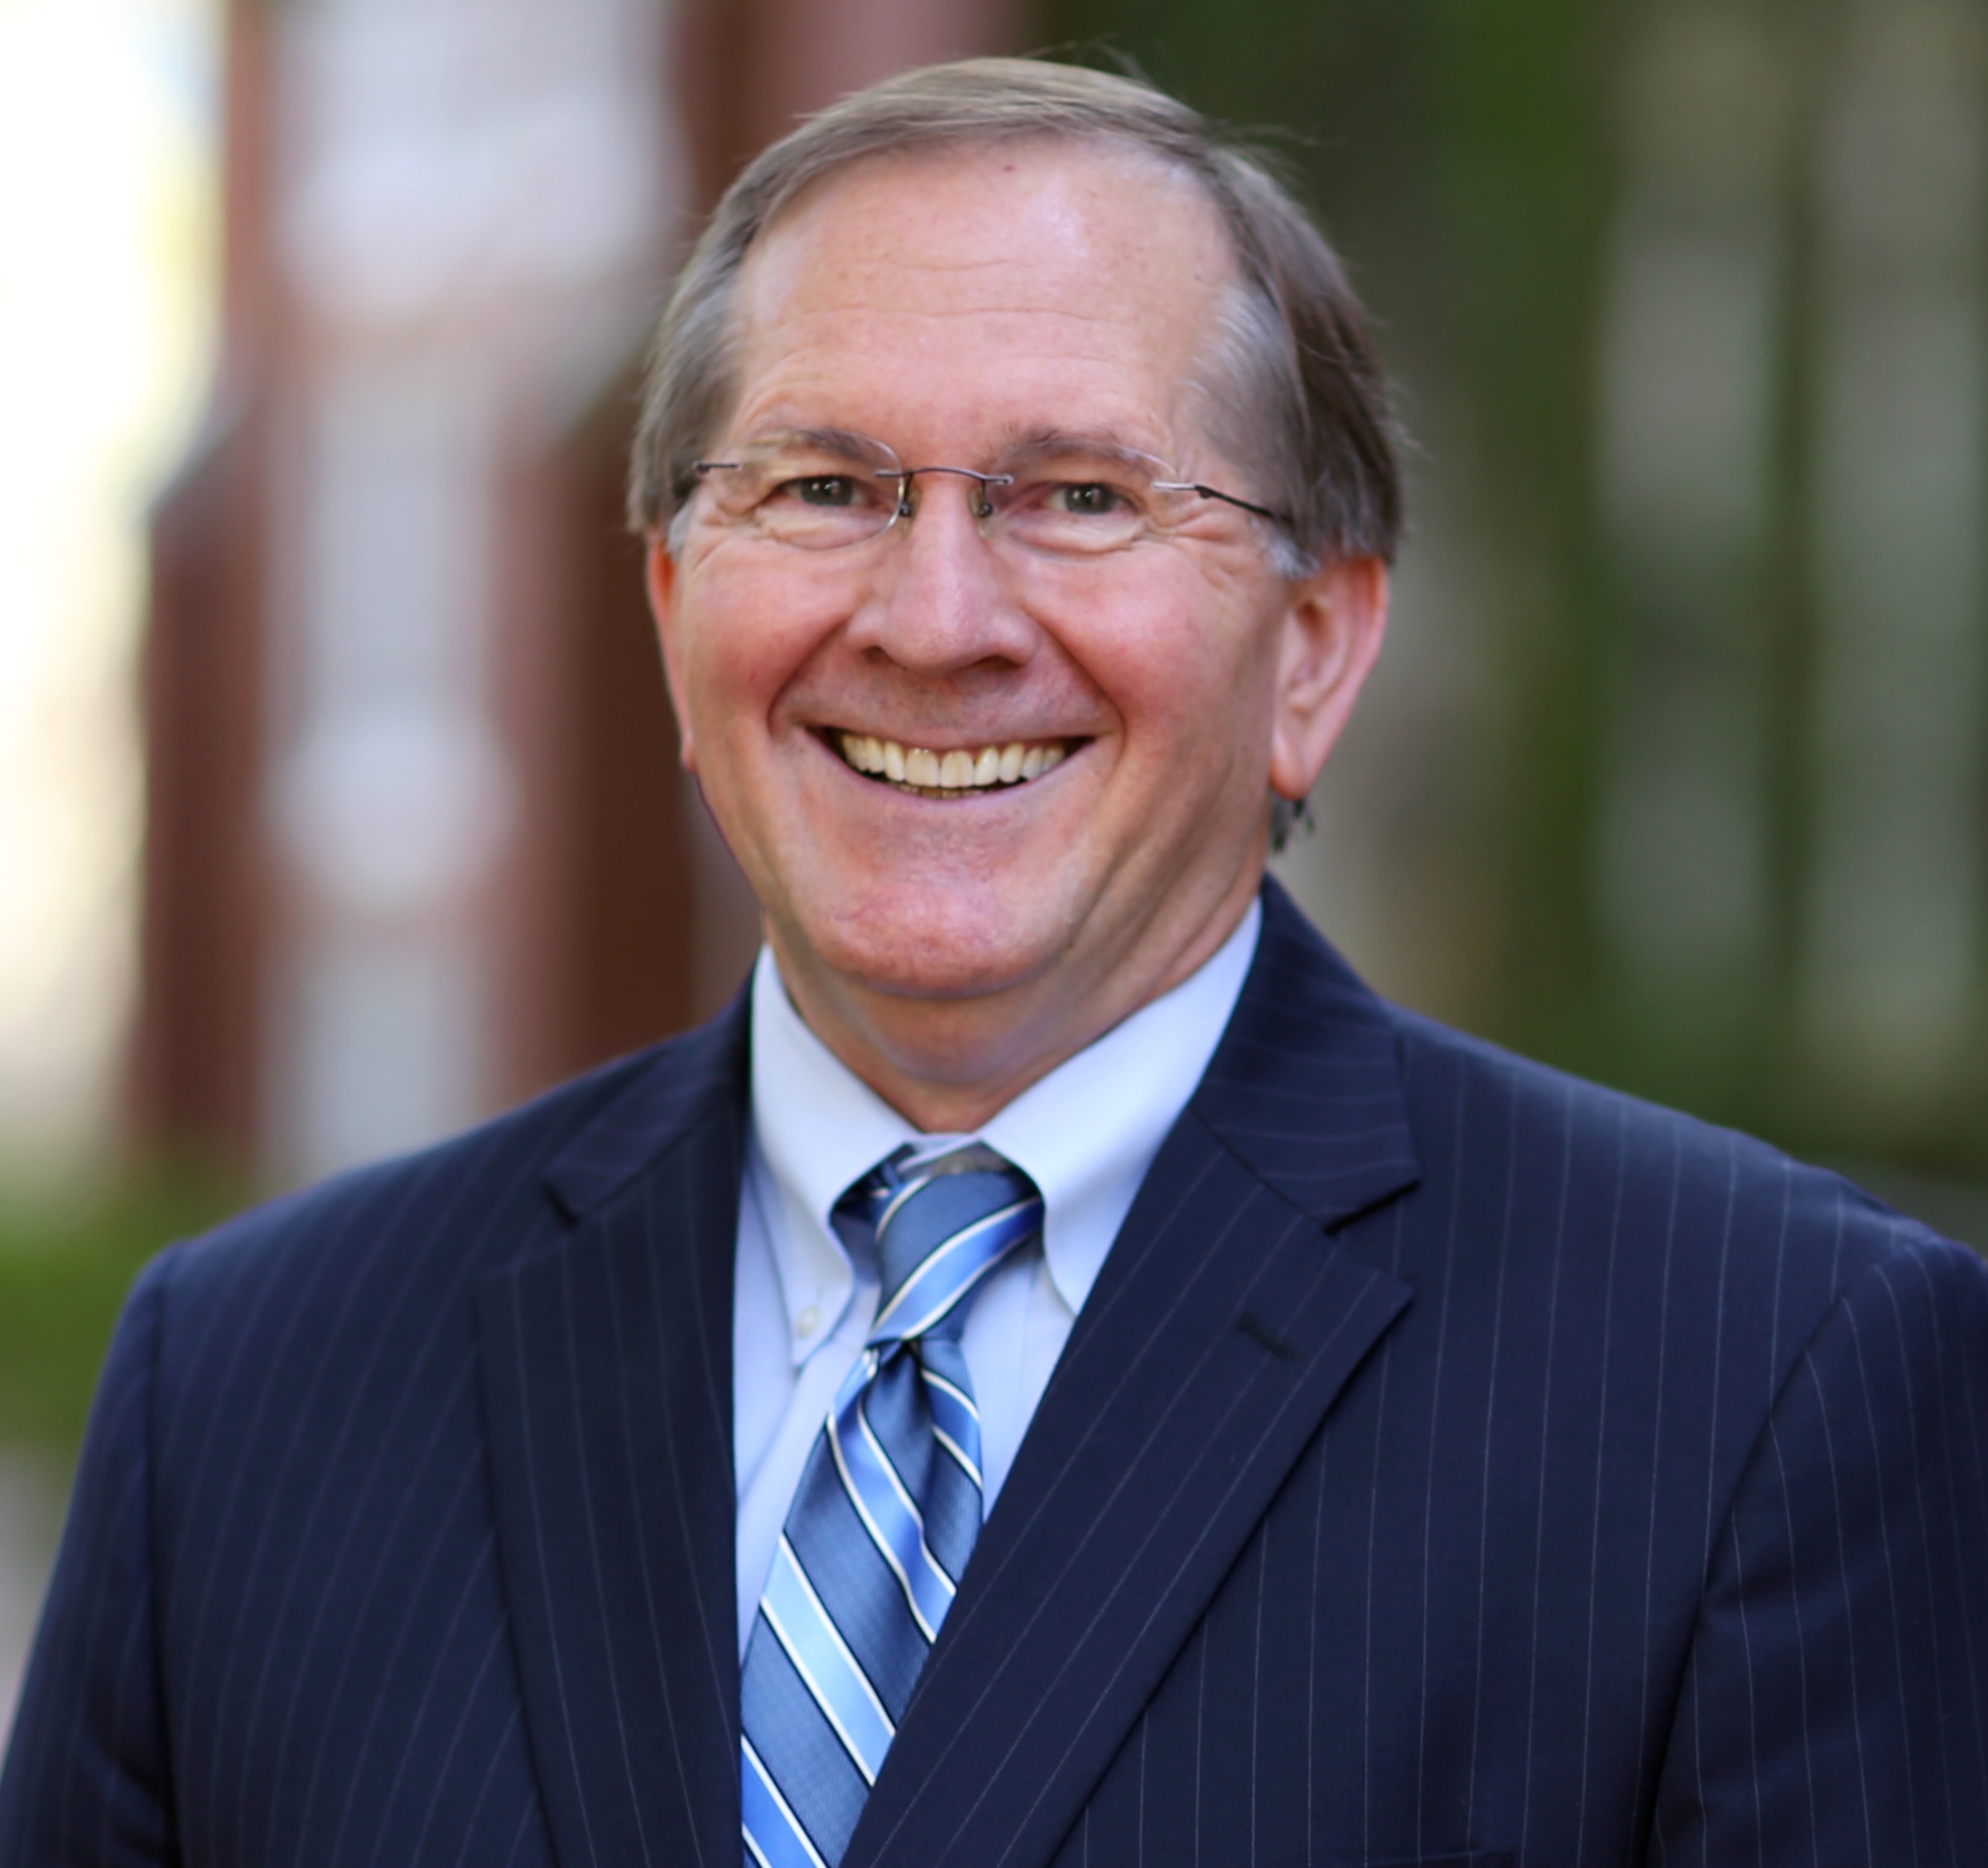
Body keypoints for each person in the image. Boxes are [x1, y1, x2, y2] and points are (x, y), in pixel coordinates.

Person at [5, 56, 1986, 1868]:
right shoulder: (247, 1392)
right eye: (824, 488)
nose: (936, 618)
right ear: (678, 604)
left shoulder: (1762, 1385)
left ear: (1312, 650)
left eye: (1077, 498)